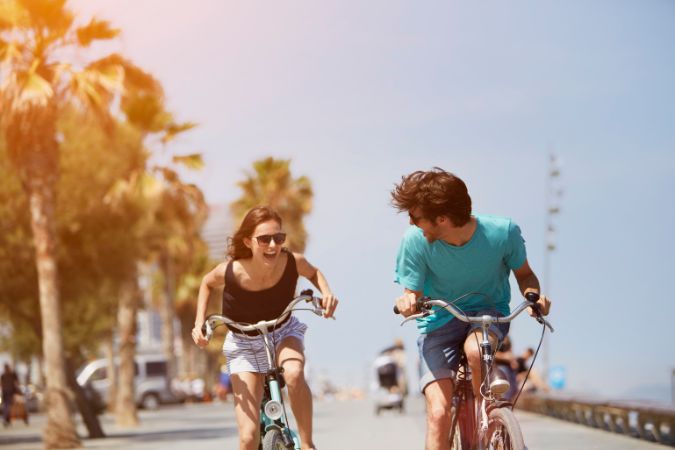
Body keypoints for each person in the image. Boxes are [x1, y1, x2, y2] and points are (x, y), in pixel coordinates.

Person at [391, 168, 551, 450]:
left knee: (476, 351)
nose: (412, 223)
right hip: (438, 323)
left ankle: (488, 423)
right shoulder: (414, 241)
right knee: (439, 414)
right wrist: (407, 301)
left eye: (416, 217)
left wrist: (533, 296)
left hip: (487, 318)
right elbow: (412, 292)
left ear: (441, 219)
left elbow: (525, 275)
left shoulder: (504, 233)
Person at [192, 206, 338, 450]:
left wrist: (327, 294)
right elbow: (206, 284)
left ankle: (308, 443)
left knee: (293, 373)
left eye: (278, 238)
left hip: (283, 331)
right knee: (248, 438)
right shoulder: (232, 271)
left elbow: (314, 273)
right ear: (248, 241)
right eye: (264, 239)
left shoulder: (291, 262)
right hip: (243, 343)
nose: (273, 245)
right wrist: (199, 323)